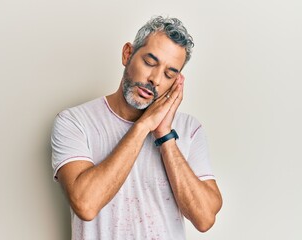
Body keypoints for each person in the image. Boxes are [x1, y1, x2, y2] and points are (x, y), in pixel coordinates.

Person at [51, 16, 222, 239]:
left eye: (169, 74)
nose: (155, 79)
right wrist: (143, 126)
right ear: (127, 54)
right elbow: (85, 204)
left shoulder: (189, 128)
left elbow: (205, 218)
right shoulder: (74, 121)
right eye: (150, 63)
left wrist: (164, 135)